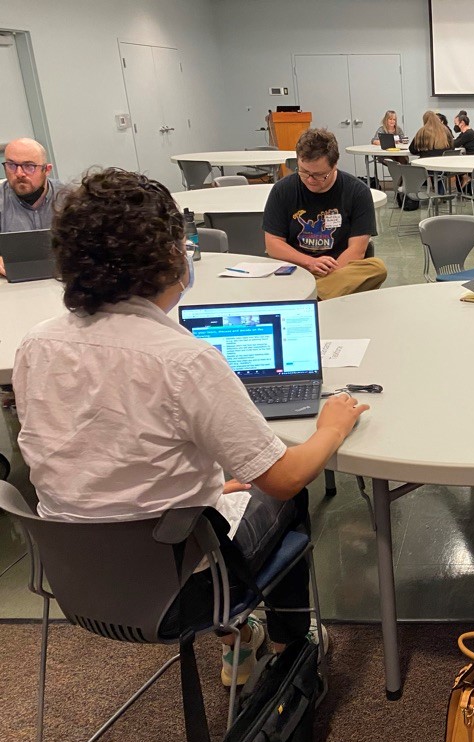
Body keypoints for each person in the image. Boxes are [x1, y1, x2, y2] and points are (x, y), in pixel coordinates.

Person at [13, 168, 370, 686]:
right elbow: (285, 476)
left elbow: (92, 453)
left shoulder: (36, 344)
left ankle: (240, 644)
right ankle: (290, 644)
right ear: (169, 257)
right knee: (288, 496)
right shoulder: (184, 361)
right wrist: (333, 428)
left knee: (230, 484)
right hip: (178, 589)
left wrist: (204, 487)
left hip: (74, 581)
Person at [263, 127, 387, 300]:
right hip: (297, 267)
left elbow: (357, 250)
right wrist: (310, 262)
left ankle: (311, 297)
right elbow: (273, 243)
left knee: (376, 268)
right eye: (304, 172)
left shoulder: (357, 192)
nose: (310, 180)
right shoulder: (282, 190)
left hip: (339, 269)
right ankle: (322, 297)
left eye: (319, 175)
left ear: (334, 165)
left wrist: (328, 274)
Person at [0, 137, 63, 277]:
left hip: (62, 278)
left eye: (29, 166)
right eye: (11, 165)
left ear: (47, 170)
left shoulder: (69, 198)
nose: (19, 173)